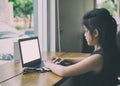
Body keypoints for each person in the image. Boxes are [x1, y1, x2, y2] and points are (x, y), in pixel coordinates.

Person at [45, 8, 120, 86]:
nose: (84, 34)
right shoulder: (107, 50)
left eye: (86, 31)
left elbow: (64, 71)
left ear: (95, 33)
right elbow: (87, 60)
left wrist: (48, 64)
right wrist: (67, 60)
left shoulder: (98, 58)